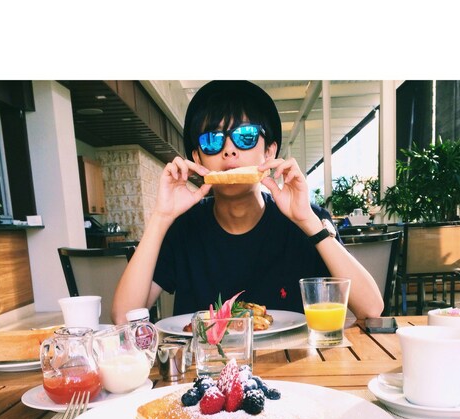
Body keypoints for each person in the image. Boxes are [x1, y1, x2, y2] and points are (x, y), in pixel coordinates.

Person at [112, 80, 383, 323]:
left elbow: (371, 310)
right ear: (197, 158)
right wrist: (161, 216)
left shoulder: (304, 220)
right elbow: (123, 318)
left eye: (245, 136)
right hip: (205, 363)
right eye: (212, 140)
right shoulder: (183, 227)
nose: (229, 150)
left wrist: (309, 222)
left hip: (291, 361)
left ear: (269, 152)